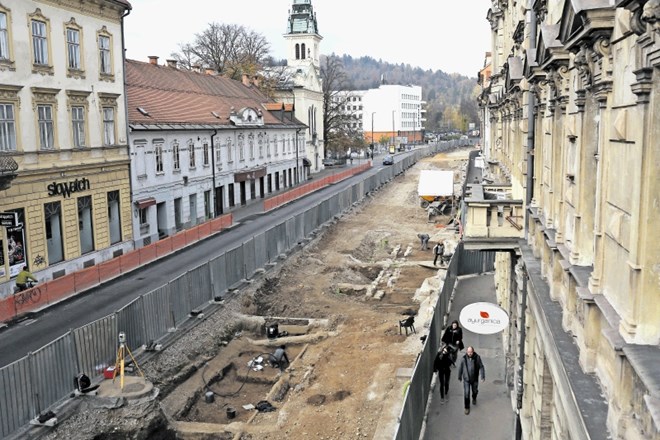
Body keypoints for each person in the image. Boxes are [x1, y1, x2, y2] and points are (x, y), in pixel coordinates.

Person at [457, 346, 485, 414]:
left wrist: (482, 376)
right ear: (467, 352)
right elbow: (460, 367)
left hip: (474, 379)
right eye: (468, 352)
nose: (469, 353)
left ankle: (474, 397)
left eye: (471, 352)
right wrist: (459, 376)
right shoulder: (463, 359)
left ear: (473, 352)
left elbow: (481, 366)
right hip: (466, 379)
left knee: (474, 391)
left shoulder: (477, 358)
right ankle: (467, 407)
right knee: (466, 393)